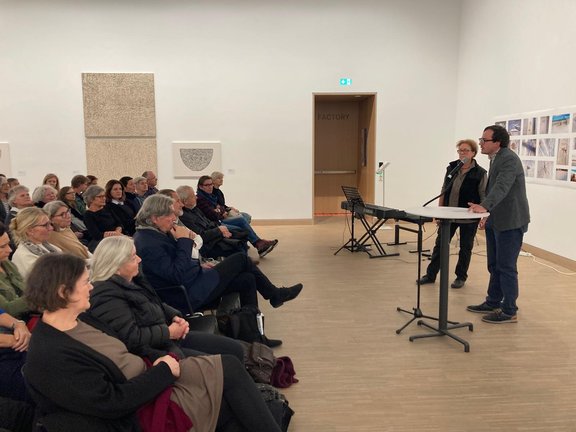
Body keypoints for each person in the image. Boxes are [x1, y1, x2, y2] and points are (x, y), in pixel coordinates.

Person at [24, 253, 284, 432]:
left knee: (231, 369)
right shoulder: (51, 353)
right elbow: (112, 403)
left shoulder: (82, 319)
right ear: (63, 292)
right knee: (233, 403)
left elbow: (130, 346)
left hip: (151, 376)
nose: (91, 287)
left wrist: (166, 356)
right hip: (141, 407)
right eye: (85, 283)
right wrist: (163, 370)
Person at [133, 195, 302, 344]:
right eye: (169, 214)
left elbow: (176, 266)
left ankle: (254, 337)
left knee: (247, 280)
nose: (174, 218)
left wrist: (196, 261)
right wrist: (184, 241)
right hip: (186, 294)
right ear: (154, 218)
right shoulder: (148, 243)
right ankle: (274, 294)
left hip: (194, 282)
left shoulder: (155, 234)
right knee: (241, 259)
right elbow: (176, 275)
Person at [88, 236, 243, 361]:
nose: (139, 259)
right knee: (228, 365)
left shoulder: (133, 280)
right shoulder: (105, 294)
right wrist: (168, 332)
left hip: (167, 337)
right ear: (116, 265)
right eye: (133, 257)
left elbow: (155, 303)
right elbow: (131, 338)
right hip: (155, 352)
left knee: (235, 349)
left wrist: (174, 316)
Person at [468, 125, 530, 324]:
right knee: (494, 265)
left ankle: (510, 310)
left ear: (498, 142)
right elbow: (494, 189)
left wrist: (484, 206)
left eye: (484, 140)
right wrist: (487, 214)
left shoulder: (509, 159)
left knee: (506, 266)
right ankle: (493, 301)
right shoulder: (495, 158)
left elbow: (502, 186)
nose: (480, 143)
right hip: (496, 219)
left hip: (511, 221)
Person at [418, 139, 487, 289]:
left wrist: (484, 216)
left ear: (473, 153)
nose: (462, 153)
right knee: (440, 245)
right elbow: (444, 189)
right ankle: (430, 275)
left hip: (469, 217)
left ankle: (460, 277)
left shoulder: (480, 173)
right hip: (448, 215)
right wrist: (439, 211)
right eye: (460, 150)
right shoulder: (452, 167)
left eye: (466, 150)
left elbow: (483, 195)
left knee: (465, 248)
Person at [196, 176, 278, 258]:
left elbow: (221, 206)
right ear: (201, 186)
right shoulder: (201, 199)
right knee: (240, 225)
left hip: (220, 219)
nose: (210, 187)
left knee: (243, 218)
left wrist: (220, 210)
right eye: (207, 185)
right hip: (215, 223)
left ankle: (258, 243)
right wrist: (220, 211)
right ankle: (254, 246)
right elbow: (212, 215)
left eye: (211, 184)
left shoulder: (211, 195)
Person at [177, 185, 248, 260]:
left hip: (215, 236)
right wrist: (219, 230)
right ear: (185, 201)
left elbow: (209, 222)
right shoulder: (184, 217)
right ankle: (244, 261)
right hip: (209, 245)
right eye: (193, 196)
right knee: (237, 245)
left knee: (241, 234)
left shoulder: (195, 209)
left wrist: (221, 229)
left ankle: (246, 260)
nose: (196, 197)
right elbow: (201, 236)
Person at [10, 207, 61, 277]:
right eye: (45, 225)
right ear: (29, 230)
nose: (51, 228)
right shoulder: (24, 256)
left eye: (50, 224)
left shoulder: (47, 246)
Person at [0, 222, 32, 319]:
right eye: (2, 246)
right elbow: (7, 310)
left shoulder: (7, 264)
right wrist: (38, 295)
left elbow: (25, 290)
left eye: (8, 244)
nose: (10, 250)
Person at [83, 185, 124, 251]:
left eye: (104, 196)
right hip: (103, 243)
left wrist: (117, 232)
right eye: (100, 197)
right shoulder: (88, 215)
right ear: (91, 199)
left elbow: (119, 223)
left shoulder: (107, 208)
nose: (104, 198)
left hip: (117, 237)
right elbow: (96, 235)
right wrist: (114, 234)